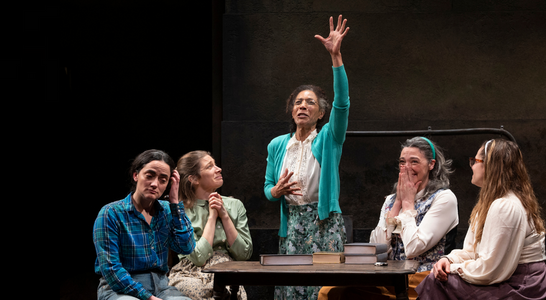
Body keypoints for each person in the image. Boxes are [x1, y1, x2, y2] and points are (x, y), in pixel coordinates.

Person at [263, 15, 350, 300]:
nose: (303, 106)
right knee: (290, 289)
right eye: (298, 102)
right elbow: (268, 189)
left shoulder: (328, 138)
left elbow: (342, 103)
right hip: (292, 226)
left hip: (323, 223)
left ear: (320, 113)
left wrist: (335, 57)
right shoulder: (278, 145)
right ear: (291, 111)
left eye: (310, 102)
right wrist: (275, 191)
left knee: (322, 290)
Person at [319, 137, 458, 300]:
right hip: (389, 275)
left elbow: (414, 249)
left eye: (414, 162)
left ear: (431, 165)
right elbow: (377, 248)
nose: (406, 168)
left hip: (424, 279)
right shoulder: (391, 200)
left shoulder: (443, 198)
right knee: (331, 291)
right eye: (402, 162)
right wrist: (397, 204)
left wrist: (407, 204)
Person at [416, 139, 546, 299]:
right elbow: (473, 251)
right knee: (437, 278)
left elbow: (490, 270)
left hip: (523, 285)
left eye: (475, 161)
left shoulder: (505, 206)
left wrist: (453, 269)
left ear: (491, 166)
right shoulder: (489, 204)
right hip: (505, 276)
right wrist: (449, 260)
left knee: (438, 282)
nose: (471, 166)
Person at [94, 149, 196, 300]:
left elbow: (186, 247)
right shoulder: (111, 213)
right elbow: (111, 269)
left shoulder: (167, 211)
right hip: (119, 289)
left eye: (163, 180)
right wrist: (147, 297)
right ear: (136, 175)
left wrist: (175, 204)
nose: (155, 184)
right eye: (149, 176)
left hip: (161, 287)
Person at [168, 151, 253, 300]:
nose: (218, 169)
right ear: (194, 179)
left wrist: (224, 216)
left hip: (226, 269)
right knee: (202, 292)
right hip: (189, 271)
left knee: (228, 291)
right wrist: (212, 217)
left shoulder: (235, 205)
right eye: (210, 166)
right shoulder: (181, 211)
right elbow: (198, 258)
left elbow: (243, 254)